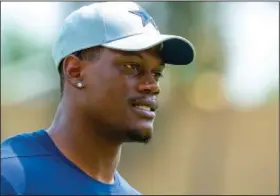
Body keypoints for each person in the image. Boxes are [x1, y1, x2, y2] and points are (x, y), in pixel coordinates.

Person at [1, 2, 195, 195]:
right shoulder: (10, 177)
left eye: (157, 73)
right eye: (132, 67)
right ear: (75, 71)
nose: (152, 86)